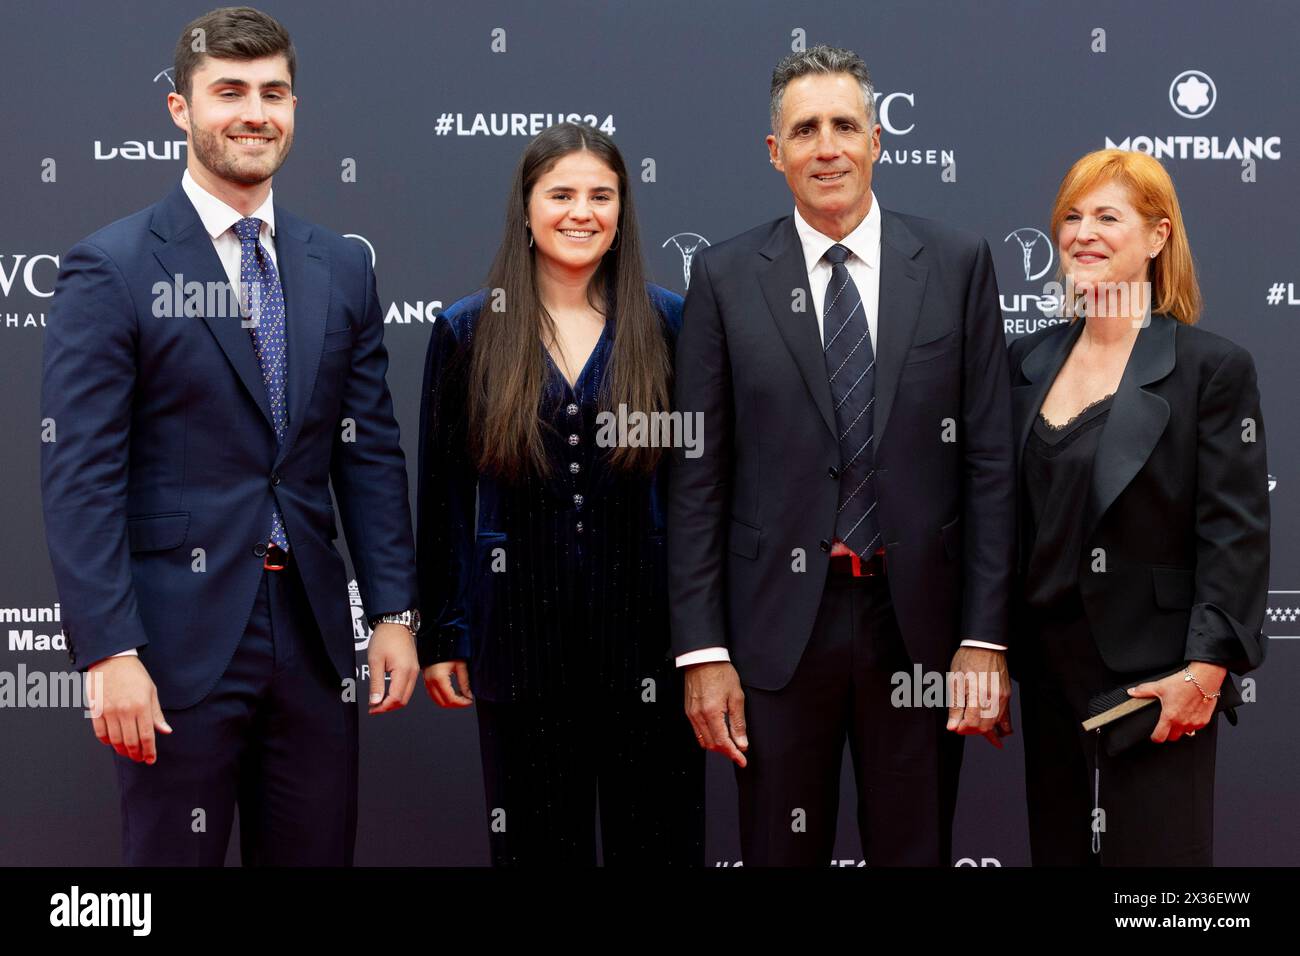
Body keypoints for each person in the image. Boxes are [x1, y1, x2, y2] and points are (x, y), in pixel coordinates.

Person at [40, 6, 420, 866]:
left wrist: (393, 609)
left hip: (316, 637)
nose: (255, 112)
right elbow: (82, 475)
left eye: (274, 92)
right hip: (174, 644)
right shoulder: (114, 266)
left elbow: (368, 453)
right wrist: (107, 649)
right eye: (229, 92)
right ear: (181, 109)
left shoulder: (342, 265)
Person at [668, 45, 1015, 866]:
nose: (827, 146)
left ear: (876, 140)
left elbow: (992, 464)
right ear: (775, 152)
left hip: (921, 629)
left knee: (916, 849)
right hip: (775, 633)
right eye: (805, 129)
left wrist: (985, 638)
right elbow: (696, 478)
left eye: (844, 126)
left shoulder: (958, 265)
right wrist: (703, 652)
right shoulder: (721, 277)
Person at [417, 122, 704, 866]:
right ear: (526, 208)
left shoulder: (671, 322)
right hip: (517, 644)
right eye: (562, 194)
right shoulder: (468, 331)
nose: (583, 212)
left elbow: (698, 487)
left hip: (651, 642)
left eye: (602, 195)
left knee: (660, 841)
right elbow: (445, 493)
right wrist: (446, 632)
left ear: (622, 210)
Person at [1007, 148, 1269, 866]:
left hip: (1156, 678)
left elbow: (1234, 533)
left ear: (1157, 237)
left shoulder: (1209, 368)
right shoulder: (1022, 364)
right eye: (1072, 215)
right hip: (1047, 673)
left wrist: (1204, 673)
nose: (1082, 232)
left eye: (1107, 216)